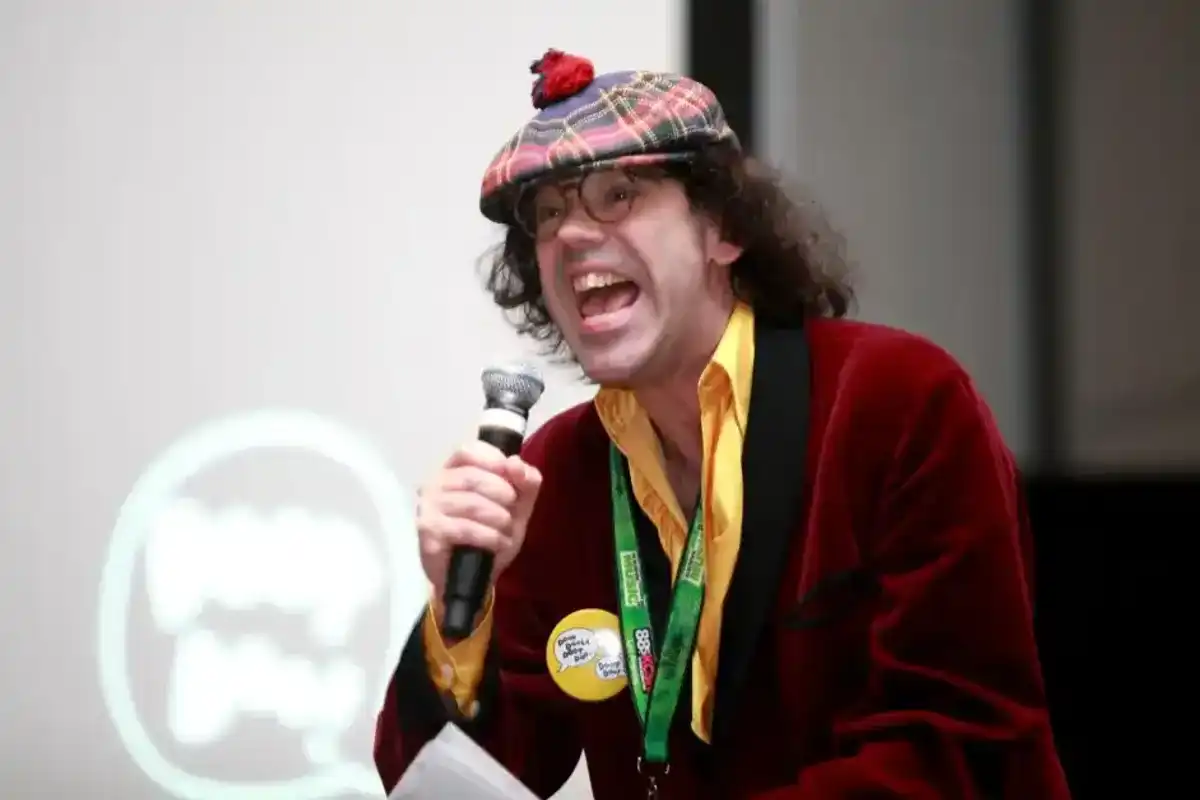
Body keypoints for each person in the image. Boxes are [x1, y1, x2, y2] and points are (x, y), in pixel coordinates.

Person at [373, 49, 1071, 799]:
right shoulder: (559, 470)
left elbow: (958, 748)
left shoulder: (899, 405)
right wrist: (460, 608)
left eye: (618, 194)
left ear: (724, 230)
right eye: (547, 215)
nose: (571, 236)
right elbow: (453, 777)